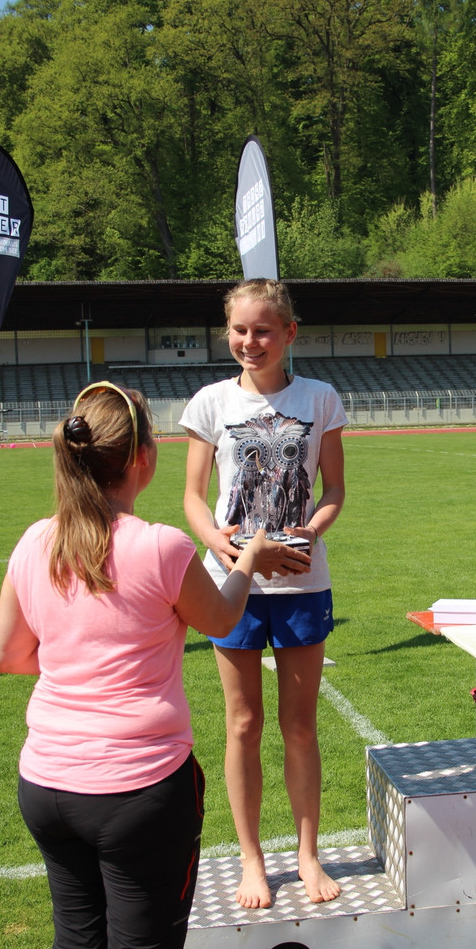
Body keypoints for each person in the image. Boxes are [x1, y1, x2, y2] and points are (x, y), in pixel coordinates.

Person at [0, 381, 307, 949]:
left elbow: (8, 655)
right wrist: (248, 558)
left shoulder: (35, 542)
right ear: (140, 458)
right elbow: (222, 619)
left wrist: (82, 653)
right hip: (137, 791)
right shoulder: (157, 546)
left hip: (47, 783)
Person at [180, 278, 347, 909]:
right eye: (240, 330)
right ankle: (253, 859)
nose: (250, 342)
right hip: (234, 583)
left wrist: (310, 530)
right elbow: (195, 497)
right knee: (242, 724)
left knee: (299, 728)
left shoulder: (320, 398)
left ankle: (307, 854)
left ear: (289, 334)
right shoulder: (209, 402)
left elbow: (333, 492)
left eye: (263, 330)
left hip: (303, 580)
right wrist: (220, 546)